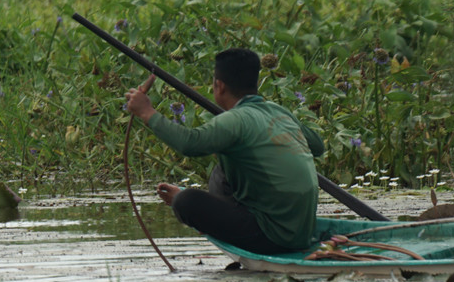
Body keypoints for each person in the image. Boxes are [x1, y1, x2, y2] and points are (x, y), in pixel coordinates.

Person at [124, 48, 325, 254]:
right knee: (222, 172)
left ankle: (205, 215)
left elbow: (190, 144)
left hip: (273, 237)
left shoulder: (234, 120)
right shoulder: (278, 111)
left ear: (219, 86)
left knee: (186, 202)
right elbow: (318, 146)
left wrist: (147, 112)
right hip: (303, 232)